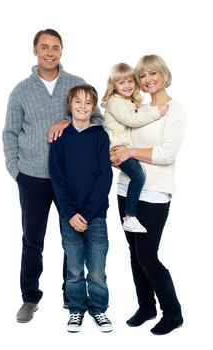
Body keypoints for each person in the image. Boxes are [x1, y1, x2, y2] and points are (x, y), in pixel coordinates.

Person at [2, 29, 103, 323]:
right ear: (34, 50)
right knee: (32, 239)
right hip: (32, 177)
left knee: (71, 237)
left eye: (55, 47)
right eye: (44, 47)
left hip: (71, 178)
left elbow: (96, 117)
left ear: (62, 51)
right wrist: (16, 170)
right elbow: (9, 132)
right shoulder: (21, 90)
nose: (49, 52)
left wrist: (67, 118)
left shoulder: (76, 84)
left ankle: (70, 297)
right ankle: (30, 298)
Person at [111, 55, 186, 335]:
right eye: (142, 76)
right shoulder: (137, 107)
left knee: (147, 256)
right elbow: (122, 139)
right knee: (134, 253)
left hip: (154, 194)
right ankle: (146, 307)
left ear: (164, 74)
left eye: (153, 73)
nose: (147, 80)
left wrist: (129, 152)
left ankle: (173, 313)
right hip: (125, 189)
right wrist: (116, 154)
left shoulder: (175, 111)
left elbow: (166, 154)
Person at [49, 84, 113, 333]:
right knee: (74, 270)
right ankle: (76, 309)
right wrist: (70, 212)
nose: (83, 106)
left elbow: (104, 178)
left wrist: (86, 213)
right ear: (70, 105)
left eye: (88, 102)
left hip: (95, 215)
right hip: (69, 216)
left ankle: (99, 310)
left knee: (97, 270)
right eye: (78, 101)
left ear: (93, 107)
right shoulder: (60, 138)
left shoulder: (100, 136)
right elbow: (57, 177)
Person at [101, 63, 168, 233]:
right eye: (121, 83)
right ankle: (130, 216)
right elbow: (131, 120)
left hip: (124, 149)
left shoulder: (128, 101)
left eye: (130, 81)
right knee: (138, 176)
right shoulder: (115, 102)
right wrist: (157, 113)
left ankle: (130, 216)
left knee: (138, 176)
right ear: (113, 86)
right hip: (118, 149)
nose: (127, 85)